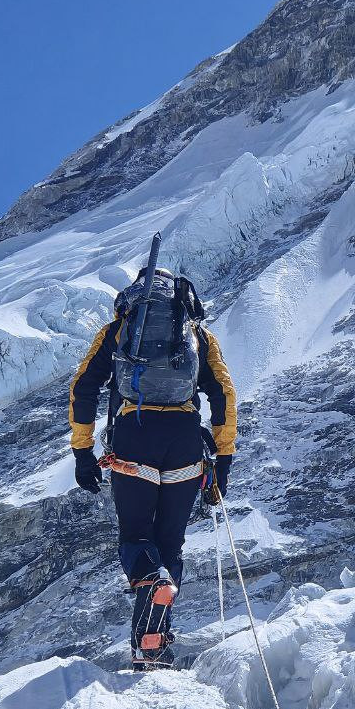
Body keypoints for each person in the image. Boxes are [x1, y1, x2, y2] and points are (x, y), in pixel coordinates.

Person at [68, 265, 237, 670]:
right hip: (183, 443)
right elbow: (224, 393)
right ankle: (153, 642)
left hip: (134, 438)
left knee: (137, 537)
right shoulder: (197, 334)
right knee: (170, 543)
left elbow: (83, 386)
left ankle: (151, 585)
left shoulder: (119, 330)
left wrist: (82, 451)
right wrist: (224, 462)